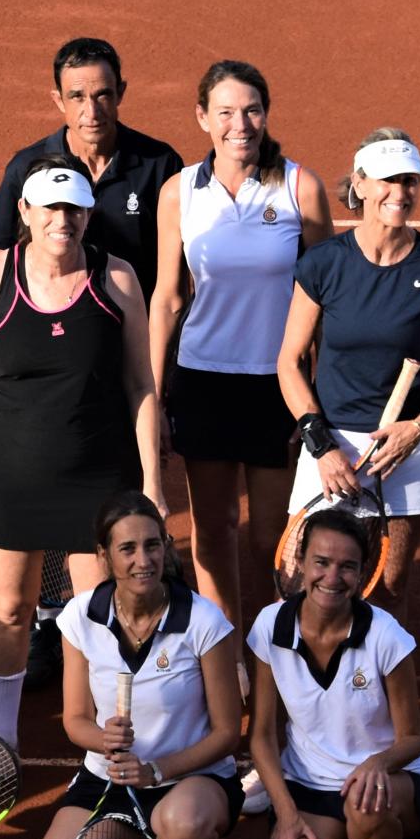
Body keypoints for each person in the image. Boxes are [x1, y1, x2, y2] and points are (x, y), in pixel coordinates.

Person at [0, 160, 159, 752]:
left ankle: (91, 743)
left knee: (92, 616)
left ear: (89, 213)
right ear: (26, 213)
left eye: (73, 209)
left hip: (98, 479)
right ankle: (6, 740)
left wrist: (152, 484)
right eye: (49, 208)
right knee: (10, 610)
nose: (61, 220)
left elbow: (141, 385)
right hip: (10, 477)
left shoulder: (117, 281)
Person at [150, 60, 334, 627]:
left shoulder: (300, 186)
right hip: (202, 380)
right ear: (202, 117)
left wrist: (317, 388)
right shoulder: (179, 192)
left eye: (251, 109)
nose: (240, 123)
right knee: (213, 531)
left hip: (274, 383)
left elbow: (327, 295)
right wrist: (155, 398)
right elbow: (167, 297)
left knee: (273, 541)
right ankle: (225, 658)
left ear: (266, 114)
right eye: (225, 112)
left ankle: (283, 650)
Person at [22, 492, 244, 839]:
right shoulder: (80, 619)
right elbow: (76, 721)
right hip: (110, 779)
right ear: (103, 557)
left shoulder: (203, 621)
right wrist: (103, 740)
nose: (143, 560)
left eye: (153, 545)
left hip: (189, 780)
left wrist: (156, 771)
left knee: (182, 824)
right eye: (127, 549)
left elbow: (226, 732)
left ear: (165, 546)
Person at [275, 129, 420, 602]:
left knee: (385, 591)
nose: (400, 193)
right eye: (388, 180)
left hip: (408, 450)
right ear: (360, 184)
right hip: (331, 445)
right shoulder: (325, 263)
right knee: (297, 589)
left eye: (409, 181)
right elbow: (290, 360)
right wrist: (321, 445)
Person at [246, 511, 420, 839]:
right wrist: (286, 814)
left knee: (366, 802)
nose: (333, 576)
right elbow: (262, 736)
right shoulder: (271, 626)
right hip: (311, 785)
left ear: (363, 572)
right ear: (300, 565)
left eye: (347, 566)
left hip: (391, 782)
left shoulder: (387, 636)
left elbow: (416, 737)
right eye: (321, 562)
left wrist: (378, 762)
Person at [0, 37, 184, 300]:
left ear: (121, 92)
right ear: (59, 100)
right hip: (57, 328)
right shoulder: (26, 168)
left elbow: (179, 271)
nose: (92, 111)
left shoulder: (160, 165)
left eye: (103, 95)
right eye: (77, 97)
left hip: (136, 327)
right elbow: (5, 263)